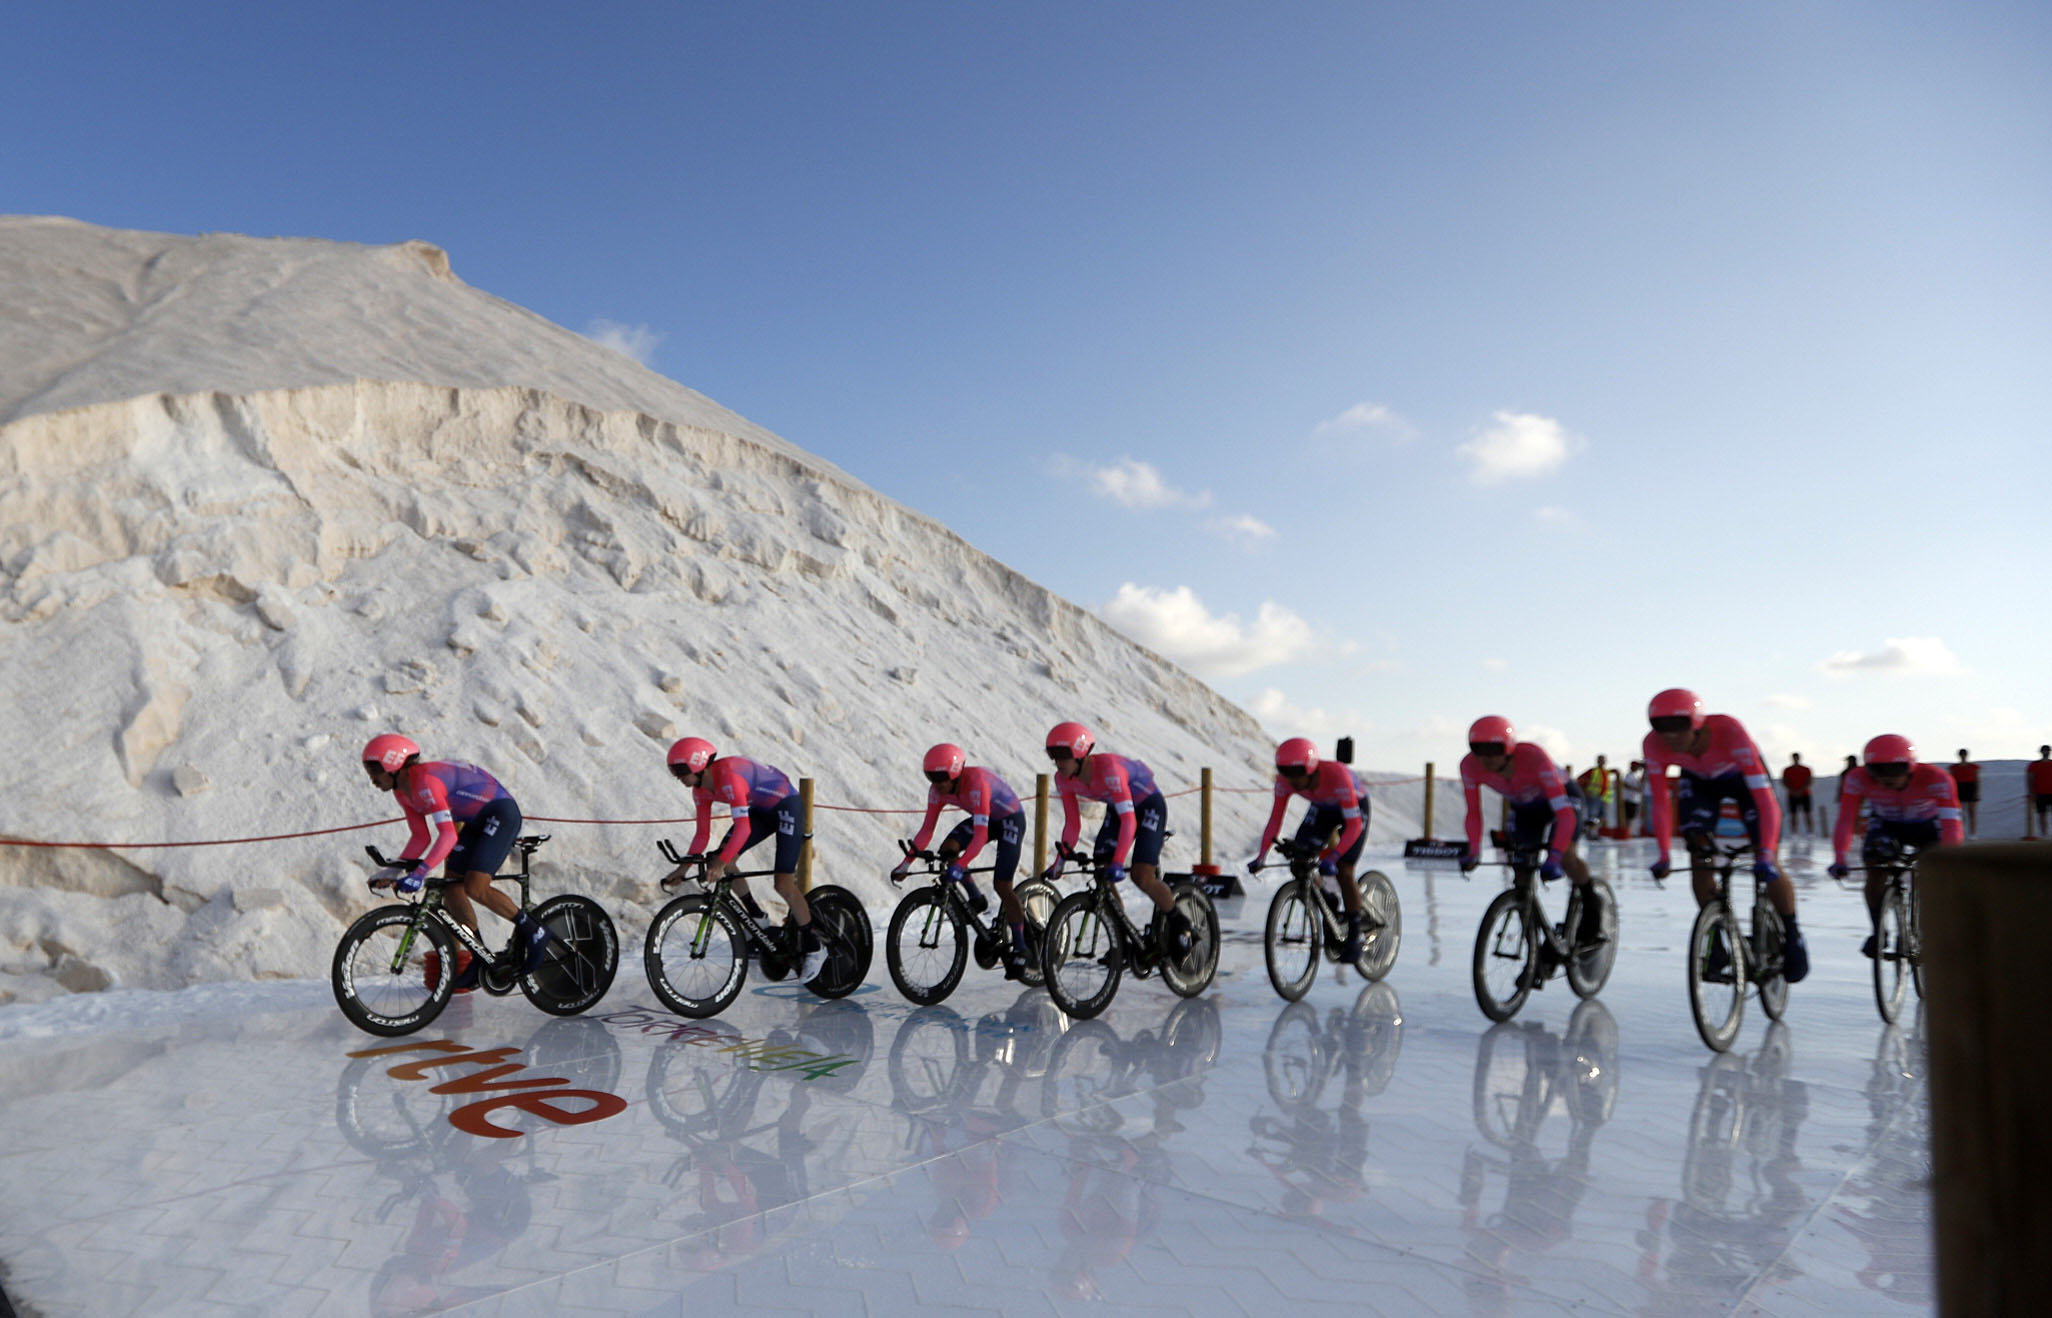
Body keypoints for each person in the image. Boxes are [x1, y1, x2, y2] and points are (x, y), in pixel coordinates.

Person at [362, 733, 549, 991]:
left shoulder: (425, 782)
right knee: (452, 889)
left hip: (499, 813)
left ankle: (535, 931)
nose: (371, 778)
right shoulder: (402, 791)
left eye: (374, 769)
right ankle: (480, 957)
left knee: (475, 887)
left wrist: (421, 871)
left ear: (393, 765)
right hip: (472, 820)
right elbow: (420, 836)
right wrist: (392, 870)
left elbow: (448, 834)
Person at [1642, 689, 1806, 983]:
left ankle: (1792, 931)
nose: (1670, 736)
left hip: (1744, 782)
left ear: (1696, 723)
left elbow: (1766, 802)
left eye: (1678, 726)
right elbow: (1661, 803)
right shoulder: (1652, 745)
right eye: (1661, 727)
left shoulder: (1729, 730)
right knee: (1698, 850)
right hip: (1700, 783)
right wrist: (1665, 854)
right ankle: (1716, 936)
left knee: (1767, 859)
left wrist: (1766, 853)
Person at [662, 737, 825, 981]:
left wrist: (719, 863)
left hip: (786, 806)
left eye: (681, 770)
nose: (678, 777)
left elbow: (743, 830)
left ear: (699, 765)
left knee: (782, 883)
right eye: (674, 771)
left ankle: (815, 947)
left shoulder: (728, 777)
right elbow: (702, 834)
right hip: (761, 809)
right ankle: (757, 918)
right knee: (723, 858)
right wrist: (683, 868)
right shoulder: (700, 790)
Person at [1043, 721, 1190, 958]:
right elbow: (1072, 824)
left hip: (1149, 806)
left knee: (1141, 875)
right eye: (1053, 756)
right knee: (1101, 870)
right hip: (1119, 809)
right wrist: (1059, 863)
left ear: (1080, 754)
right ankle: (1122, 943)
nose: (1058, 763)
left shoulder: (1110, 769)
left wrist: (1118, 862)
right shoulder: (1063, 779)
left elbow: (1130, 821)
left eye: (1063, 756)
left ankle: (1179, 922)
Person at [1458, 716, 1605, 946]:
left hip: (1562, 799)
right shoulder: (1469, 765)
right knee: (1521, 869)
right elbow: (1474, 813)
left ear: (1508, 748)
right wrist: (1473, 850)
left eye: (1494, 749)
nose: (1486, 757)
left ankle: (1592, 904)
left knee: (1566, 855)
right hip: (1525, 808)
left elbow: (1564, 814)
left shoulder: (1533, 757)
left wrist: (1554, 856)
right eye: (1479, 749)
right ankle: (1532, 940)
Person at [894, 743, 1035, 978]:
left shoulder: (977, 783)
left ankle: (1022, 947)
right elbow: (927, 830)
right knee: (948, 849)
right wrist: (906, 863)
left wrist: (960, 867)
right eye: (931, 776)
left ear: (956, 773)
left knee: (1002, 885)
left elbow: (980, 836)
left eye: (941, 777)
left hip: (1010, 819)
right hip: (985, 819)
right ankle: (975, 898)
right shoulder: (937, 790)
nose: (936, 783)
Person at [1827, 735, 1963, 956]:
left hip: (1928, 828)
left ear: (1910, 766)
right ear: (1867, 769)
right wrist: (1840, 857)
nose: (1886, 779)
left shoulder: (1937, 778)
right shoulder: (1856, 778)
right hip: (1886, 826)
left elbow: (1952, 825)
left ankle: (1927, 926)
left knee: (1938, 876)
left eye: (1895, 770)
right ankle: (1878, 931)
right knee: (1875, 872)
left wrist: (1949, 858)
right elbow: (1846, 819)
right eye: (1877, 772)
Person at [1250, 737, 1374, 962]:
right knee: (1299, 862)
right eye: (1285, 772)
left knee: (1344, 870)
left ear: (1311, 767)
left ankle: (1356, 933)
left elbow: (1354, 825)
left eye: (1297, 773)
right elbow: (1275, 820)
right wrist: (1261, 857)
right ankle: (1328, 899)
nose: (1292, 780)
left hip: (1354, 808)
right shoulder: (1285, 780)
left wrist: (1334, 856)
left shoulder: (1338, 775)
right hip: (1324, 808)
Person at [1576, 755, 1613, 837]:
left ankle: (1596, 833)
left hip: (1603, 798)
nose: (1602, 762)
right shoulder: (1593, 771)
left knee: (1601, 816)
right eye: (1600, 760)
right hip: (1593, 797)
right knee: (1592, 816)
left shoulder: (1606, 772)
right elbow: (1580, 779)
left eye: (1603, 760)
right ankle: (1590, 833)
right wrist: (1585, 791)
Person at [1781, 754, 1814, 837]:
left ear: (1799, 758)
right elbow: (1784, 781)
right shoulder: (1787, 770)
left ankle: (1810, 833)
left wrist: (1800, 790)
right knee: (1793, 814)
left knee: (1807, 813)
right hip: (1792, 795)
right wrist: (1793, 790)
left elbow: (1809, 781)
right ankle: (1794, 833)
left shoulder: (1806, 769)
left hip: (1805, 794)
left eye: (1796, 758)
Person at [1948, 750, 1980, 838]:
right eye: (1961, 755)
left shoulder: (1973, 767)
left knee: (1971, 812)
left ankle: (1973, 833)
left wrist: (1977, 792)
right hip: (1959, 787)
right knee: (1958, 813)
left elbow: (1977, 780)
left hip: (1970, 788)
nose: (1963, 757)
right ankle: (1959, 832)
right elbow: (1951, 780)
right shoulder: (1954, 768)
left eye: (1964, 755)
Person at [2030, 746, 2052, 838]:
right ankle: (2044, 833)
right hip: (2040, 793)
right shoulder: (2034, 765)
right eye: (2045, 751)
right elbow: (2030, 779)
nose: (2046, 752)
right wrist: (2032, 792)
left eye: (2048, 750)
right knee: (2042, 814)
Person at [1621, 761, 1646, 835]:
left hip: (1635, 799)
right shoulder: (1629, 775)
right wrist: (1635, 789)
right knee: (1629, 816)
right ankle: (1627, 831)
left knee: (1633, 816)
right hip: (1629, 799)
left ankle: (1631, 831)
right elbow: (1626, 784)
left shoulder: (1636, 775)